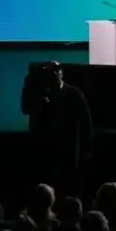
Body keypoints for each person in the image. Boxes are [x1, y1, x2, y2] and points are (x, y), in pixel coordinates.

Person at [20, 61, 93, 194]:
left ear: (60, 74)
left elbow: (86, 124)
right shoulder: (41, 96)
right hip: (45, 154)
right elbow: (27, 108)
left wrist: (85, 151)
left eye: (54, 72)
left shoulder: (74, 95)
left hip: (68, 155)